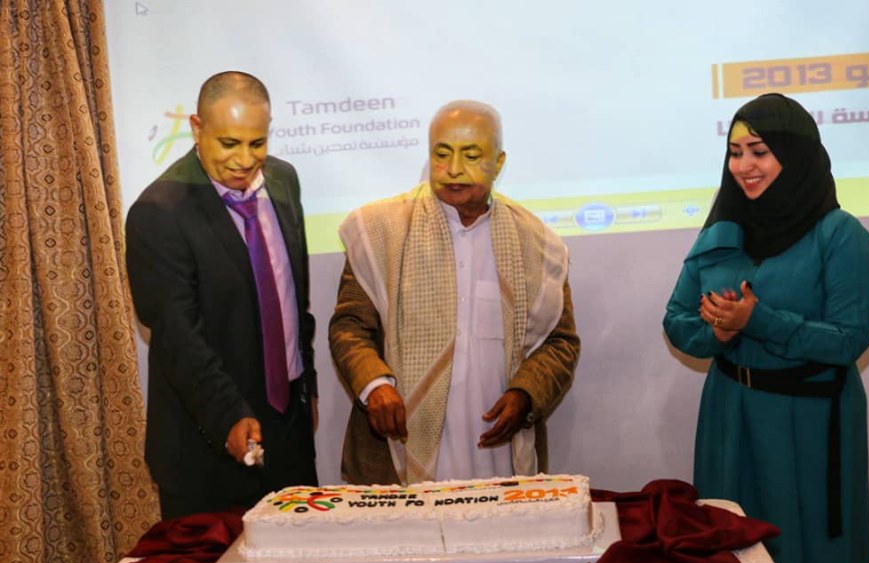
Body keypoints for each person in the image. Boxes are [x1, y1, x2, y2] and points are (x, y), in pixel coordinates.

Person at [663, 93, 869, 563]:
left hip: (812, 424)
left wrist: (758, 321)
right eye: (735, 152)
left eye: (759, 151)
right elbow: (677, 319)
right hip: (731, 416)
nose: (744, 166)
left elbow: (848, 339)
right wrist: (716, 331)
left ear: (796, 155)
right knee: (735, 561)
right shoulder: (721, 233)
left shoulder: (842, 236)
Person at [329, 100, 579, 485]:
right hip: (400, 445)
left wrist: (526, 394)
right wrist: (374, 385)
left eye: (471, 156)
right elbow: (350, 326)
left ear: (498, 162)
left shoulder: (536, 243)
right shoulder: (380, 231)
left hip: (497, 447)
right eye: (442, 154)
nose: (454, 169)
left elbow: (560, 342)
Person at [126, 71, 318, 519]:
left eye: (257, 143)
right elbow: (177, 335)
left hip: (288, 431)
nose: (245, 160)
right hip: (208, 443)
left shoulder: (284, 181)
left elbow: (294, 300)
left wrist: (305, 387)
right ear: (197, 129)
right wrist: (228, 414)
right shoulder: (158, 212)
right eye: (229, 143)